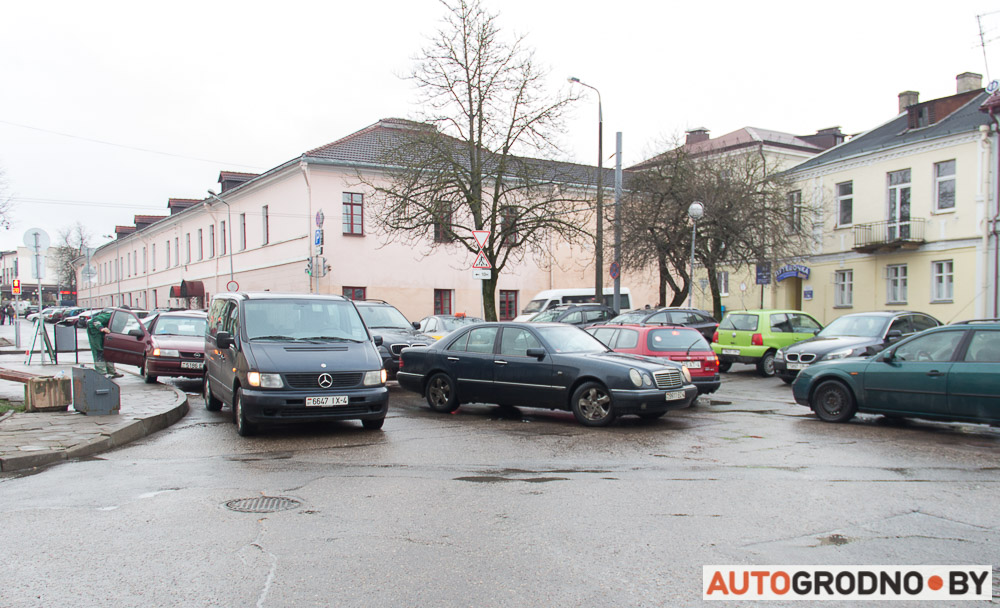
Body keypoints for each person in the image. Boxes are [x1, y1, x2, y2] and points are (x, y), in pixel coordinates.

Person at [86, 309, 122, 378]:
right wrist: (101, 328)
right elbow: (95, 320)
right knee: (98, 351)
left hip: (103, 333)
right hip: (95, 332)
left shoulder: (119, 318)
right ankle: (101, 373)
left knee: (108, 351)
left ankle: (111, 372)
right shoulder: (109, 315)